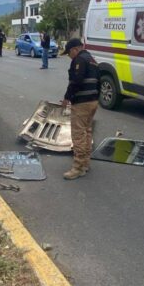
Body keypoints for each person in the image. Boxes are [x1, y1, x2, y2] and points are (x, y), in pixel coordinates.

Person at [60, 39, 100, 180]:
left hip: (82, 103)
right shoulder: (92, 59)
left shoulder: (79, 60)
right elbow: (99, 82)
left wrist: (67, 98)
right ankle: (85, 163)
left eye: (69, 53)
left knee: (78, 135)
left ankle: (77, 168)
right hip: (93, 102)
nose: (69, 56)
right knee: (87, 132)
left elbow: (75, 81)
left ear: (74, 50)